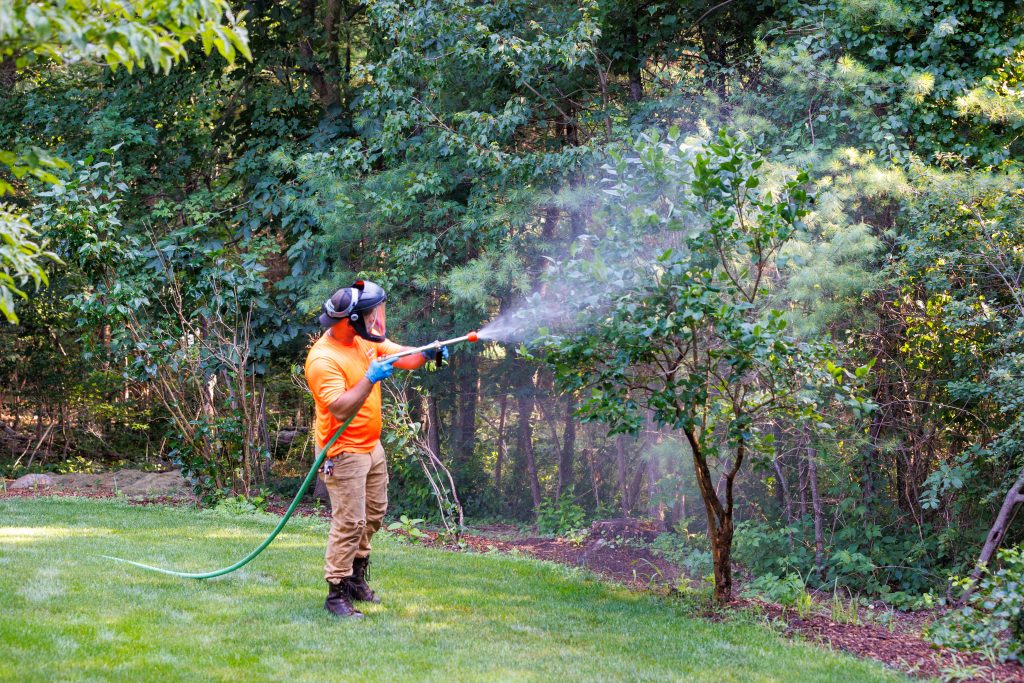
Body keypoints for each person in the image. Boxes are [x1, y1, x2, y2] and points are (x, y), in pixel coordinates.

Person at [304, 280, 446, 619]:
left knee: (374, 515)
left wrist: (426, 353)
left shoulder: (364, 339)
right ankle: (336, 593)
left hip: (372, 447)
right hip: (343, 453)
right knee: (350, 523)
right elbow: (340, 409)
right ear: (351, 319)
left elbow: (403, 356)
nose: (374, 319)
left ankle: (356, 580)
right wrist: (369, 378)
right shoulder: (323, 359)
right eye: (370, 314)